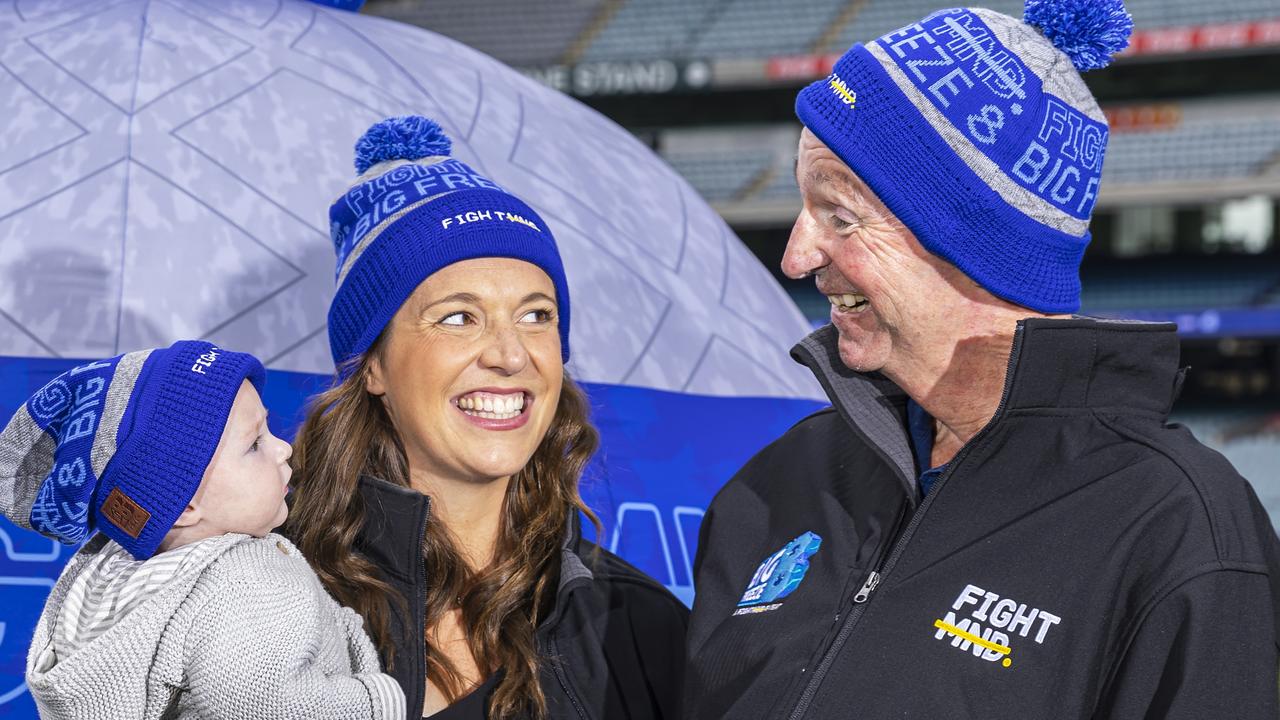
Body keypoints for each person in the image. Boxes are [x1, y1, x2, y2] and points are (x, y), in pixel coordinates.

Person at [685, 1, 1280, 718]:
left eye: (840, 217)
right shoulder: (780, 482)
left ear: (973, 244)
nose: (796, 255)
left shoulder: (1176, 528)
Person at [286, 116, 687, 719]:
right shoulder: (270, 599)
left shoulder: (637, 625)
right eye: (457, 317)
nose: (509, 355)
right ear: (373, 367)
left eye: (536, 315)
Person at [0, 340, 405, 719]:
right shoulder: (248, 579)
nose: (283, 449)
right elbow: (263, 697)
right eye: (254, 445)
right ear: (184, 506)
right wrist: (377, 700)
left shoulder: (110, 580)